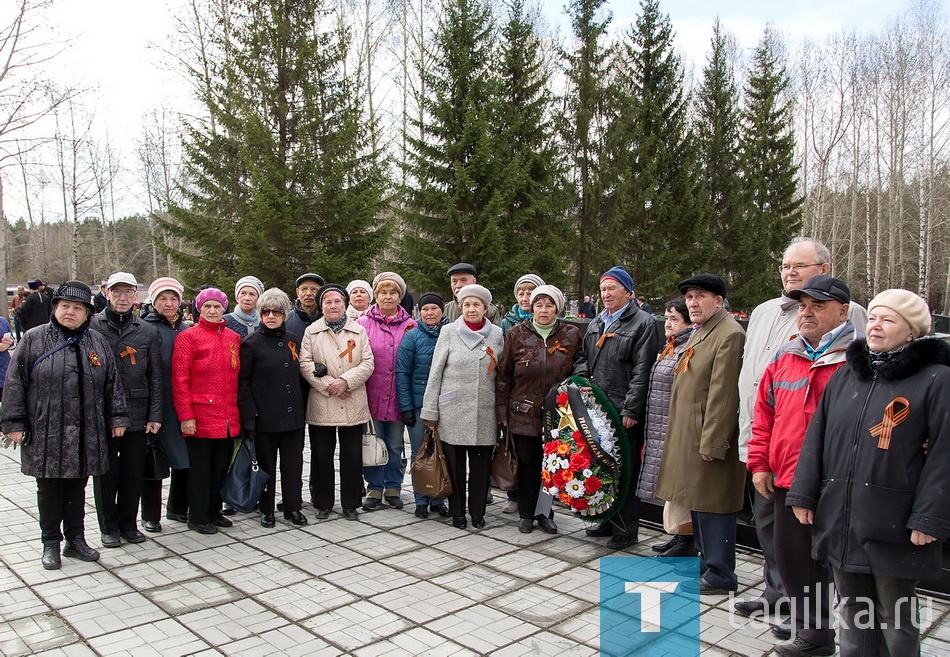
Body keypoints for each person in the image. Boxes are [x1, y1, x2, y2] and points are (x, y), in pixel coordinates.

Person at [789, 290, 947, 657]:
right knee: (853, 612)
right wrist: (804, 494)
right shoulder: (847, 376)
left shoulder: (936, 380)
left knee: (896, 616)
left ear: (912, 332)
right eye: (873, 317)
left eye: (888, 320)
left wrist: (929, 517)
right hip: (843, 515)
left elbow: (944, 454)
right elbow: (817, 439)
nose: (875, 325)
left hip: (894, 519)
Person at [735, 237, 868, 630]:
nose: (789, 273)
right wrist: (755, 451)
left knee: (813, 543)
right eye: (785, 266)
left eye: (799, 266)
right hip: (769, 444)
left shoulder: (854, 317)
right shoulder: (763, 312)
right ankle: (777, 593)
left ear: (824, 270)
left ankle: (811, 616)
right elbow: (760, 387)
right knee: (772, 531)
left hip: (821, 464)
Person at [2, 281, 129, 569]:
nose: (70, 312)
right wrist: (13, 421)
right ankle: (50, 543)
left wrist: (118, 417)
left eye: (77, 308)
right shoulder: (34, 339)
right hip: (46, 429)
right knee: (49, 489)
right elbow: (14, 383)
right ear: (55, 308)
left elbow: (112, 384)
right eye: (65, 306)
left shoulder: (96, 342)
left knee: (78, 486)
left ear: (87, 313)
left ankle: (76, 539)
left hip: (88, 430)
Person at [656, 273, 746, 595]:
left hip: (707, 437)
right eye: (690, 297)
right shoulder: (703, 331)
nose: (693, 303)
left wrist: (714, 441)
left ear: (719, 301)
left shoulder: (729, 334)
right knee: (699, 502)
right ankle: (708, 565)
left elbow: (724, 396)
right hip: (691, 434)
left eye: (700, 296)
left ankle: (721, 573)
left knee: (714, 505)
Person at [574, 265, 659, 549]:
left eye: (612, 288)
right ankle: (607, 518)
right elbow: (584, 357)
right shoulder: (598, 322)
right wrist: (584, 381)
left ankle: (626, 529)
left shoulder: (643, 323)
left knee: (626, 470)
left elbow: (642, 370)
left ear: (627, 291)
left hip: (622, 410)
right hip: (598, 407)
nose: (606, 294)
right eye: (603, 289)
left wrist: (631, 410)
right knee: (603, 466)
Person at [496, 285, 580, 534]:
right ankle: (525, 513)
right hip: (522, 412)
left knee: (551, 465)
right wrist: (502, 412)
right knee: (527, 464)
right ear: (532, 308)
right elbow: (503, 375)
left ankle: (545, 513)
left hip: (558, 414)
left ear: (557, 308)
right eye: (539, 305)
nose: (544, 310)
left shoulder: (571, 334)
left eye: (549, 305)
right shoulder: (516, 334)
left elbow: (580, 365)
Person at [421, 284, 504, 530]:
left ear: (485, 309)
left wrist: (501, 411)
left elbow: (501, 374)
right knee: (454, 466)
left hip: (484, 410)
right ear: (460, 307)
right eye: (466, 304)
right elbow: (435, 373)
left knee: (480, 468)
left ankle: (477, 513)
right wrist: (430, 411)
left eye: (476, 304)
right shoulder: (448, 332)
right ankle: (457, 512)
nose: (471, 309)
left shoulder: (497, 334)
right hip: (452, 410)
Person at [90, 272, 163, 548]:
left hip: (137, 410)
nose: (123, 298)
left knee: (133, 471)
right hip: (103, 411)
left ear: (136, 296)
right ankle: (108, 526)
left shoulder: (146, 331)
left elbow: (155, 376)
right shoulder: (93, 326)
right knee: (105, 472)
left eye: (128, 293)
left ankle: (128, 523)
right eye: (117, 292)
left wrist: (155, 415)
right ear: (107, 293)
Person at [300, 284, 374, 520]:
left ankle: (351, 503)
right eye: (328, 302)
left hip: (352, 400)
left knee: (351, 456)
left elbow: (368, 363)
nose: (333, 306)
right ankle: (323, 502)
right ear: (322, 306)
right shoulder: (312, 331)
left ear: (345, 304)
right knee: (322, 455)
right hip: (323, 402)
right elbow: (305, 363)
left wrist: (345, 381)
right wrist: (330, 386)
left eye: (337, 301)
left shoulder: (358, 331)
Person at [171, 287, 242, 535]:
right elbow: (180, 379)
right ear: (199, 309)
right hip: (200, 415)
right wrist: (186, 416)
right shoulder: (189, 337)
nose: (212, 311)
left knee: (219, 467)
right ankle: (197, 515)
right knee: (200, 470)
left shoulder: (233, 338)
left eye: (217, 306)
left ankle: (214, 511)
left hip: (226, 415)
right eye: (207, 306)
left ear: (225, 308)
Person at [239, 288, 308, 527]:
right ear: (260, 314)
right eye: (265, 311)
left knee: (293, 465)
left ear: (284, 314)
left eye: (276, 311)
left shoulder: (293, 339)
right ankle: (266, 508)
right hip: (265, 417)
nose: (271, 316)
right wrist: (249, 416)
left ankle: (292, 507)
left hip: (293, 418)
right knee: (266, 466)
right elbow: (243, 383)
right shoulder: (250, 343)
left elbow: (302, 373)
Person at [636, 298, 695, 557]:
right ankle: (677, 535)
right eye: (667, 319)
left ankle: (687, 539)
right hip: (659, 427)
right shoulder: (670, 347)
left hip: (673, 428)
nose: (667, 324)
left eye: (674, 320)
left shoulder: (687, 350)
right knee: (671, 488)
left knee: (679, 488)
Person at [358, 272, 416, 511]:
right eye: (383, 292)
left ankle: (393, 487)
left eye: (393, 292)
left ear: (400, 296)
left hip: (398, 396)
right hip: (370, 394)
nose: (388, 296)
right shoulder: (362, 323)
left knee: (394, 444)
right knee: (372, 441)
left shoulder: (411, 325)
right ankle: (374, 487)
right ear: (376, 295)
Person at [141, 277, 191, 531]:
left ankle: (178, 506)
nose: (169, 303)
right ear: (153, 301)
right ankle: (150, 514)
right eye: (163, 298)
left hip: (181, 402)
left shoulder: (185, 329)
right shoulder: (145, 329)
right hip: (155, 404)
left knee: (184, 456)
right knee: (154, 459)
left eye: (173, 298)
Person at [396, 291, 450, 519]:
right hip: (418, 405)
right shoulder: (412, 335)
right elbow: (402, 372)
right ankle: (421, 499)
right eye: (425, 309)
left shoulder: (450, 334)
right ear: (419, 311)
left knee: (442, 452)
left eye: (434, 308)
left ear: (441, 311)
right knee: (421, 453)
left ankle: (439, 498)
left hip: (445, 405)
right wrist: (406, 406)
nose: (429, 313)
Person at [285, 272, 325, 337]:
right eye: (304, 289)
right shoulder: (286, 320)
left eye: (314, 289)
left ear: (320, 293)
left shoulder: (327, 319)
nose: (308, 293)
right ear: (297, 292)